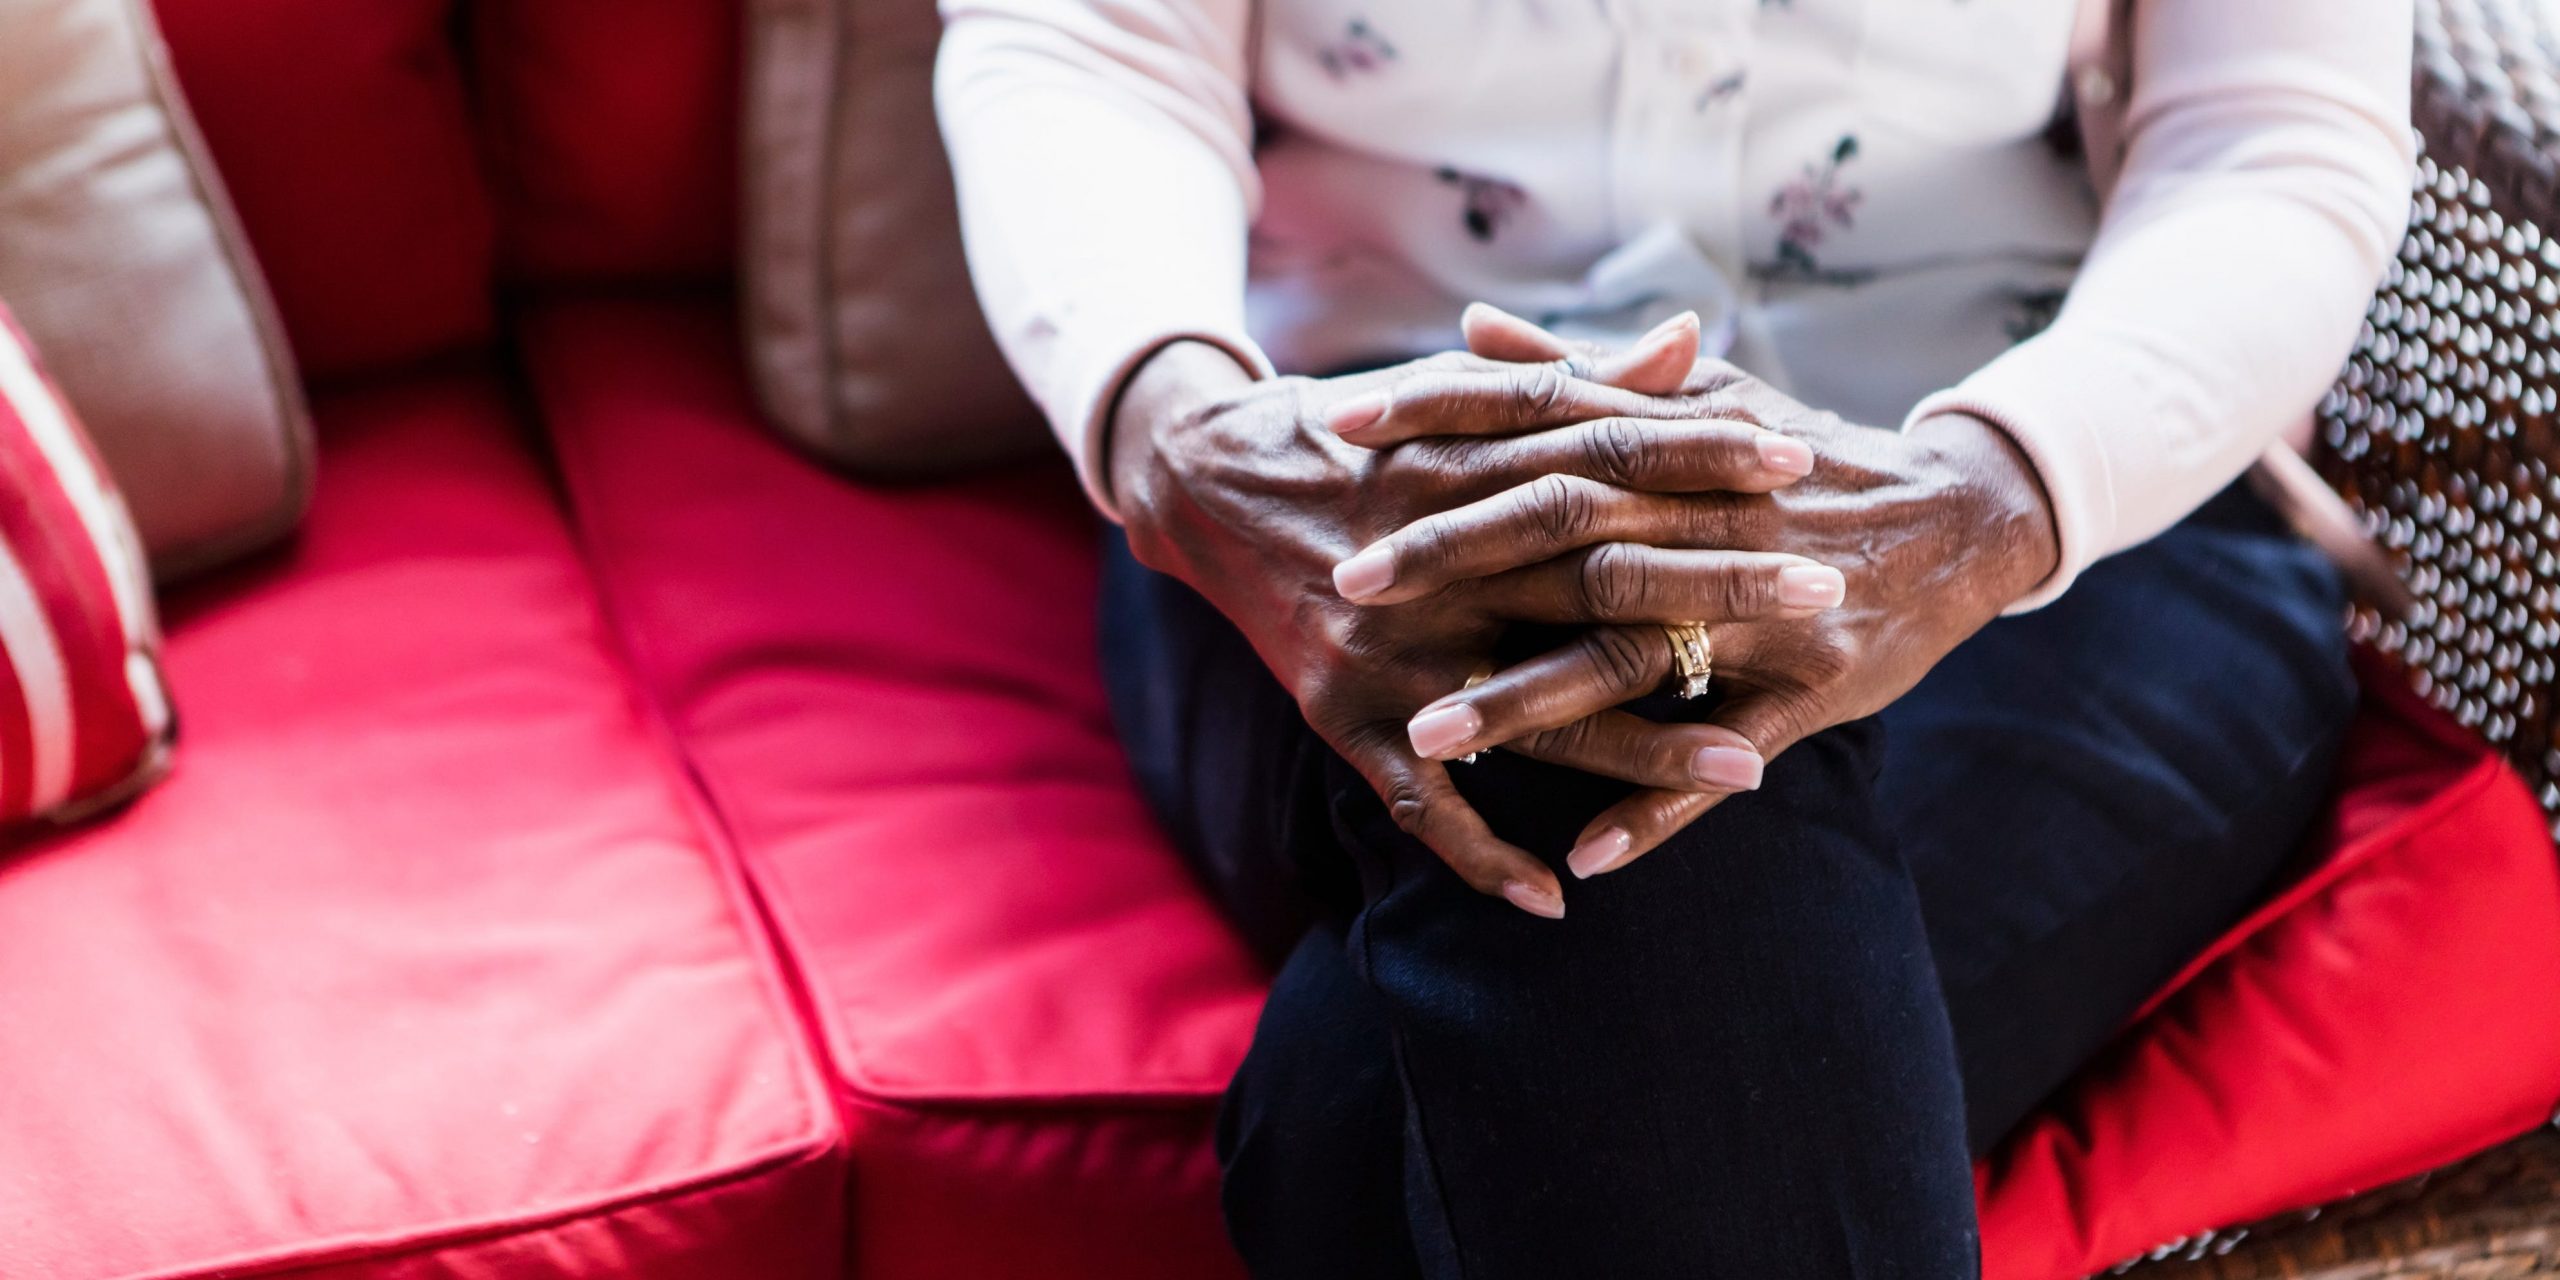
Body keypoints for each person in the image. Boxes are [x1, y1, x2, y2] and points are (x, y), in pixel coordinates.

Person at [934, 1, 2415, 1275]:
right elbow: (1085, 40)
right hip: (1352, 472)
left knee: (1366, 1118)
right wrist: (1181, 429)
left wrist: (1991, 495)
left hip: (2057, 476)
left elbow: (2275, 135)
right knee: (1606, 715)